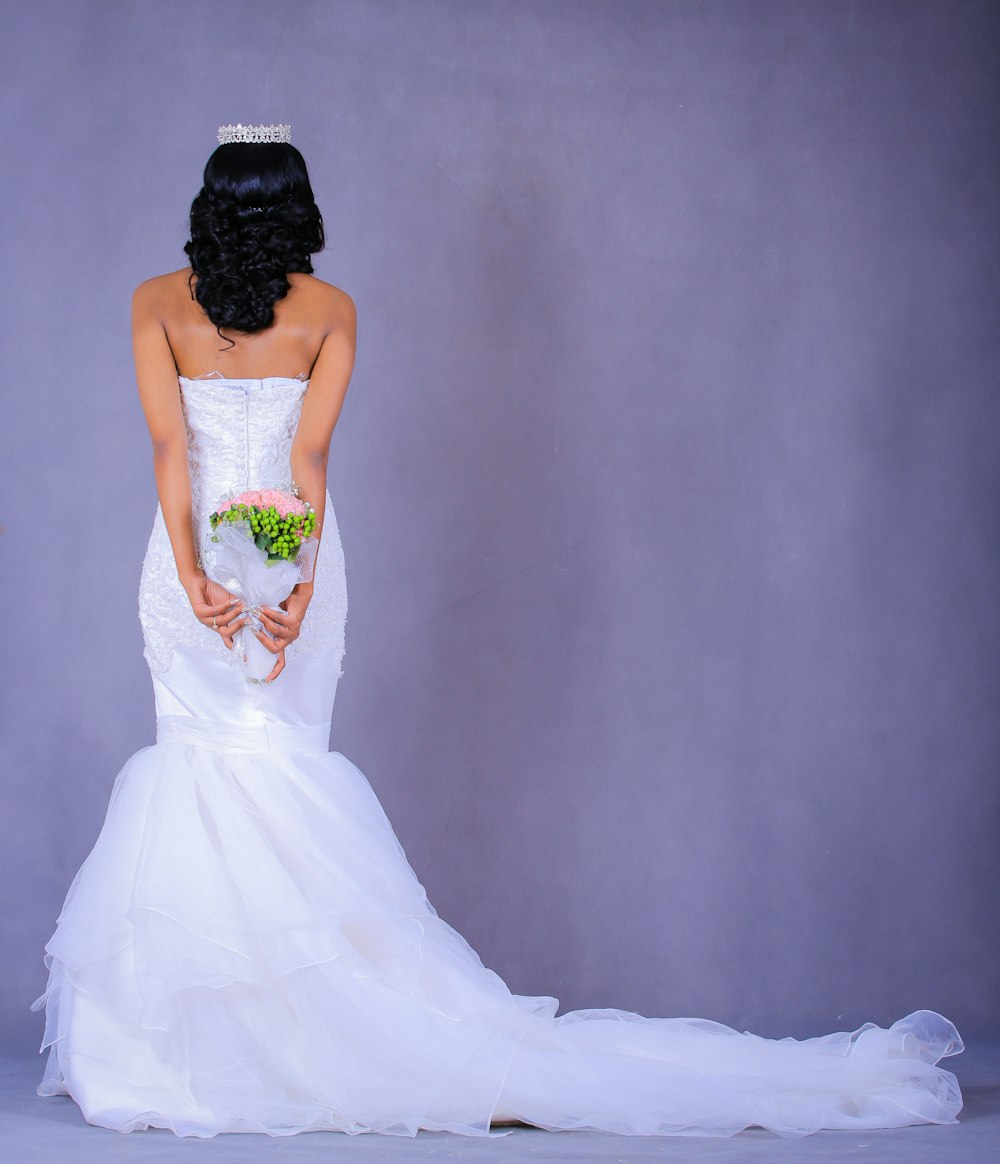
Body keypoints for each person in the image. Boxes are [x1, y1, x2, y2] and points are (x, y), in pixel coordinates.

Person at [30, 123, 965, 1140]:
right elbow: (307, 465)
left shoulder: (154, 302)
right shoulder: (332, 310)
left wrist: (192, 574)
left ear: (210, 202)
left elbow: (173, 451)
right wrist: (292, 586)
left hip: (186, 569)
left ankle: (218, 1053)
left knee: (218, 763)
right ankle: (280, 1044)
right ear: (295, 207)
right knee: (268, 763)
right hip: (296, 560)